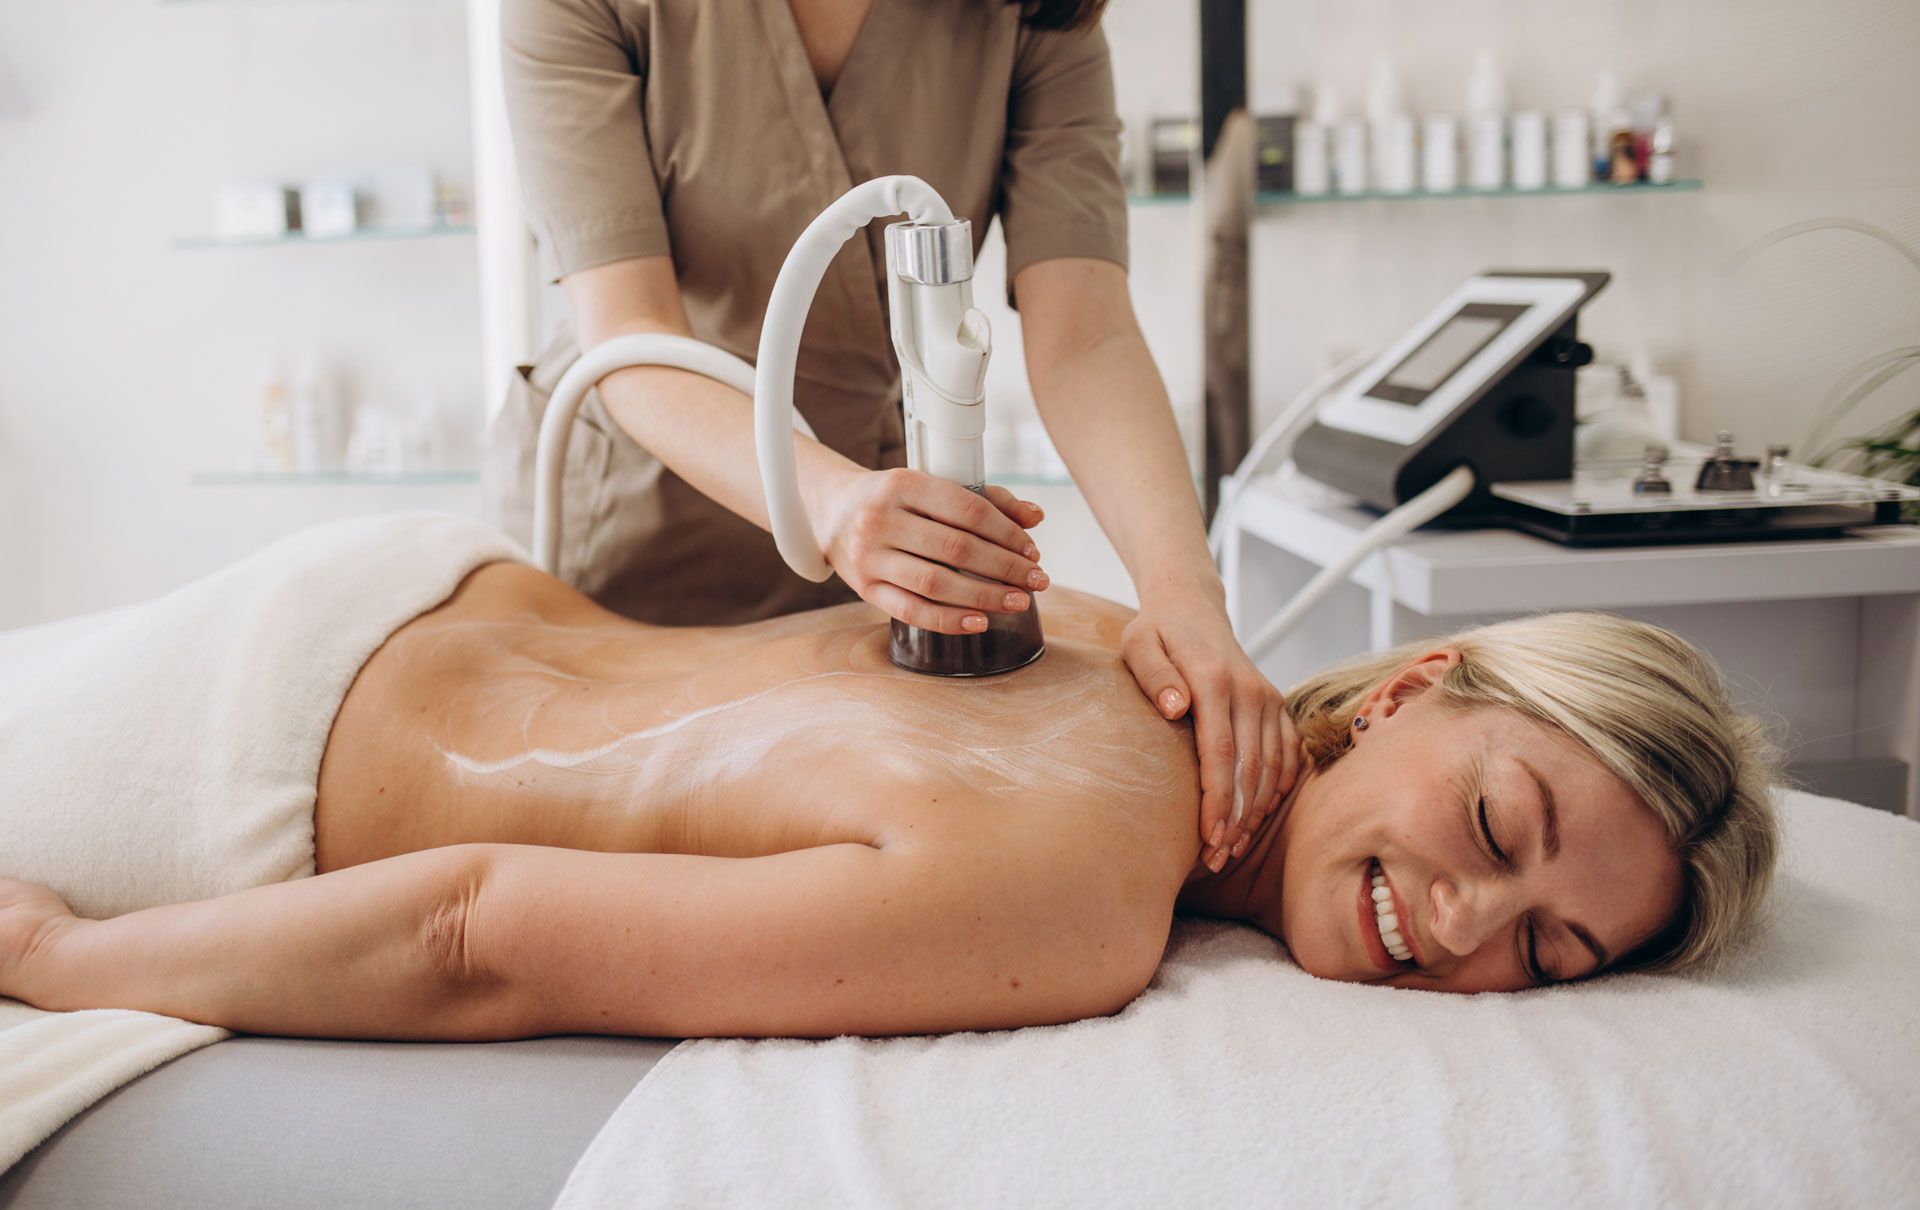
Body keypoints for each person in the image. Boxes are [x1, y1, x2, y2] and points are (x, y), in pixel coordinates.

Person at [0, 516, 1779, 1037]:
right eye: (1498, 829)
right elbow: (480, 932)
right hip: (238, 766)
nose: (1466, 922)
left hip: (394, 582)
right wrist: (62, 966)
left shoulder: (1115, 634)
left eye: (1545, 957)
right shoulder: (1075, 901)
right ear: (1410, 691)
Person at [481, 0, 1290, 871]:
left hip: (871, 558)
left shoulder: (1027, 17)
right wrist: (827, 503)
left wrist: (1183, 591)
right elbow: (631, 335)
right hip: (631, 528)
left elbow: (1084, 332)